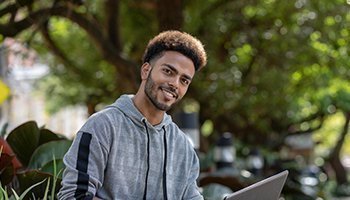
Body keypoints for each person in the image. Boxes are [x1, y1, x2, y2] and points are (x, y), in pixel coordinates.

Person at [58, 30, 207, 200]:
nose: (174, 84)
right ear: (145, 71)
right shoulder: (102, 126)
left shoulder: (183, 147)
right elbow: (75, 195)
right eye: (168, 71)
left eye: (184, 80)